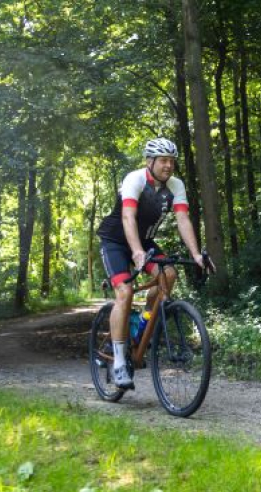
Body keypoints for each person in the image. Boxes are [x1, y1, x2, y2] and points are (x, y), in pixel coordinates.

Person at [96, 138, 214, 389]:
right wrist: (137, 252)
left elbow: (183, 219)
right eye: (163, 160)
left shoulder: (175, 186)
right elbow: (128, 217)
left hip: (145, 241)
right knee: (125, 292)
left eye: (172, 161)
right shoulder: (135, 180)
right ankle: (118, 362)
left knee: (168, 274)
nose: (168, 166)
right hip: (116, 240)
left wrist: (195, 255)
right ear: (150, 162)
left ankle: (141, 325)